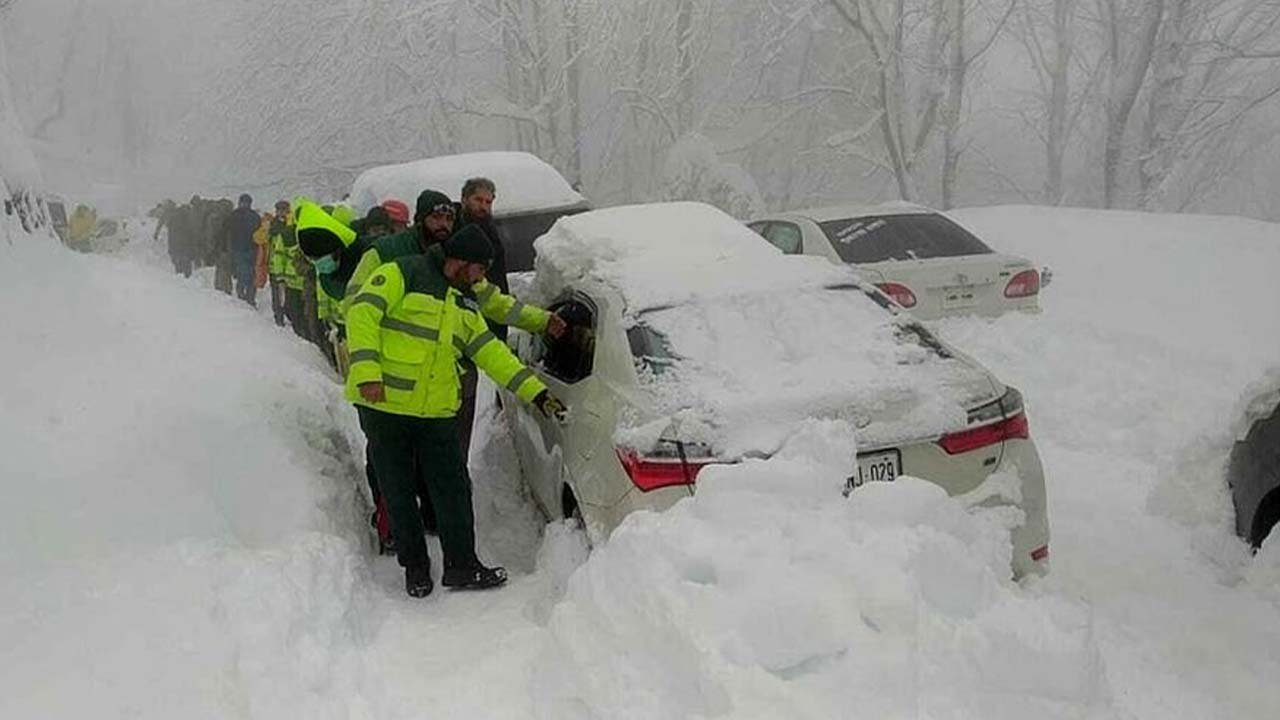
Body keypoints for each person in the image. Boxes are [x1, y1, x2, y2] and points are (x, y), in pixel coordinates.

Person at [345, 226, 569, 597]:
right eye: (480, 269)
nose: (482, 278)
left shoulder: (463, 302)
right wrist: (367, 370)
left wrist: (537, 393)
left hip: (436, 413)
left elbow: (491, 353)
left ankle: (462, 566)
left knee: (452, 488)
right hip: (384, 406)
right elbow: (362, 313)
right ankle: (415, 569)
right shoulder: (404, 272)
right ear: (463, 261)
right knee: (398, 490)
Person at [225, 194, 261, 306]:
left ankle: (242, 298)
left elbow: (226, 231)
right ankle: (249, 299)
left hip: (240, 249)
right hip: (251, 249)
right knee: (251, 275)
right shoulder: (255, 216)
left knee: (242, 274)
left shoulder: (233, 215)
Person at [267, 201, 292, 326]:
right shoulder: (272, 225)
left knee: (285, 294)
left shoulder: (289, 224)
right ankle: (279, 317)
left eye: (284, 210)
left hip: (287, 267)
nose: (282, 212)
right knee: (277, 293)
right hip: (275, 266)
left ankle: (283, 315)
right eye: (280, 210)